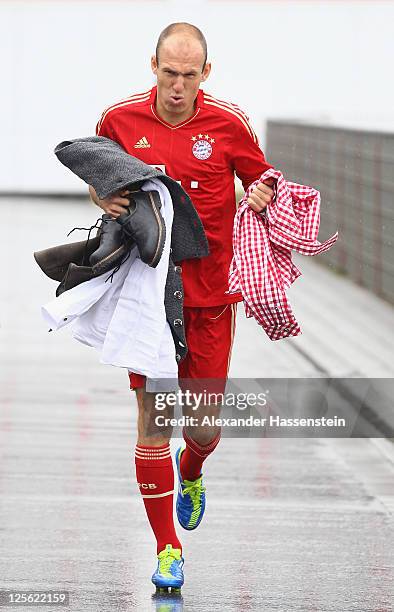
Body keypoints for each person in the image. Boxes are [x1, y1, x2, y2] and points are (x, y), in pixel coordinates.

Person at [89, 22, 275, 592]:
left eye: (188, 76)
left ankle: (192, 470)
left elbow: (262, 178)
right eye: (168, 73)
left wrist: (263, 193)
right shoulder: (119, 120)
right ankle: (168, 548)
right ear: (154, 65)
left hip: (212, 296)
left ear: (205, 74)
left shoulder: (228, 122)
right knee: (152, 421)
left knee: (201, 430)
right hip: (148, 294)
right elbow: (98, 180)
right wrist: (102, 196)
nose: (176, 86)